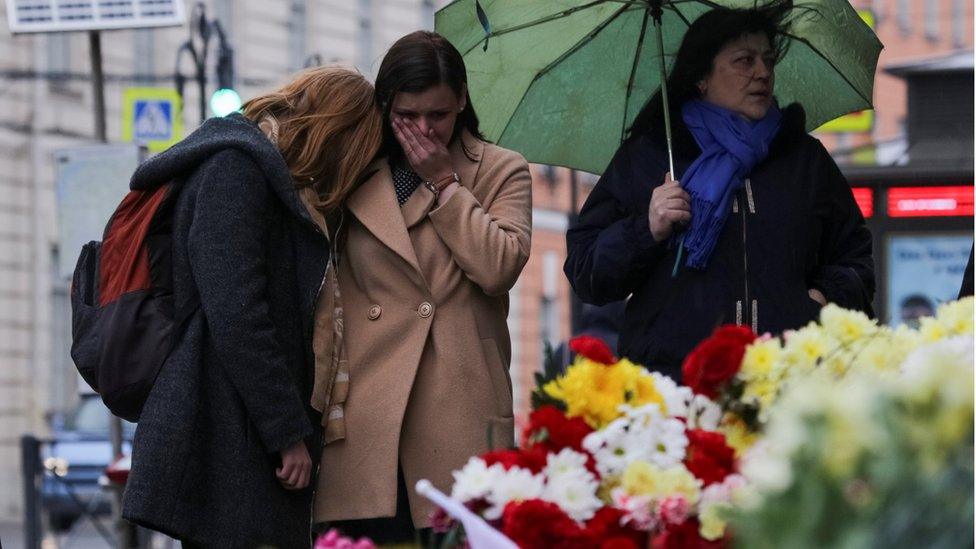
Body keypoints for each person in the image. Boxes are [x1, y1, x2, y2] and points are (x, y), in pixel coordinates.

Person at [121, 67, 383, 547]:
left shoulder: (269, 176)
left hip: (237, 430)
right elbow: (238, 312)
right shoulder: (237, 168)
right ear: (333, 134)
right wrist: (286, 432)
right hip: (225, 432)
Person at [564, 0, 875, 382]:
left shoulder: (803, 160)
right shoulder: (650, 156)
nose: (762, 72)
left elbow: (855, 256)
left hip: (787, 381)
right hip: (677, 386)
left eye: (768, 59)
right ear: (702, 78)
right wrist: (647, 229)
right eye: (744, 61)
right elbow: (585, 271)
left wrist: (819, 301)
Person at [311, 31, 533, 543]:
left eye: (437, 114)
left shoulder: (501, 170)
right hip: (368, 411)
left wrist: (446, 185)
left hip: (458, 408)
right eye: (406, 116)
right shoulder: (351, 170)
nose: (423, 129)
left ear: (461, 100)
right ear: (385, 105)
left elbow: (499, 266)